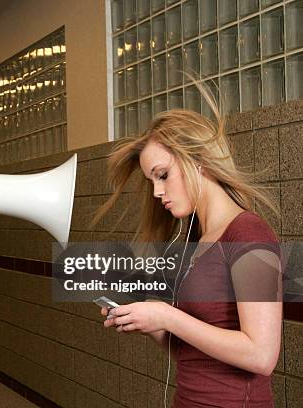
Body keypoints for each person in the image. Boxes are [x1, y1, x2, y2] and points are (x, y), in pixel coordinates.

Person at [95, 91, 282, 407]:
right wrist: (149, 321)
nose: (157, 192)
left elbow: (262, 355)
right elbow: (190, 351)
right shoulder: (196, 242)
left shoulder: (248, 232)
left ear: (198, 161)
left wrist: (167, 316)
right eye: (152, 181)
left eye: (163, 175)